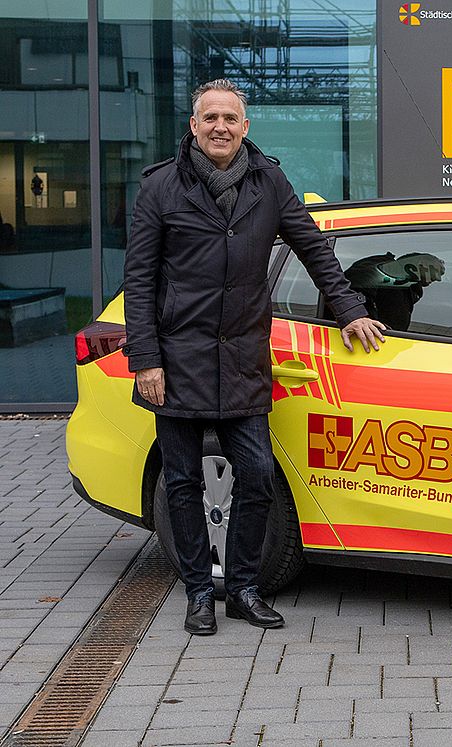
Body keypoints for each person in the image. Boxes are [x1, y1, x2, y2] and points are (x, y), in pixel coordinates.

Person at [122, 79, 387, 636]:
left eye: (231, 118)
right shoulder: (161, 188)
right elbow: (139, 280)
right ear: (193, 126)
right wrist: (146, 359)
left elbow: (312, 246)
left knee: (258, 475)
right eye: (210, 117)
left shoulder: (269, 181)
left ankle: (242, 587)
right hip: (176, 362)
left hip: (243, 359)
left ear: (246, 127)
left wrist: (349, 310)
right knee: (182, 484)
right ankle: (199, 591)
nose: (221, 126)